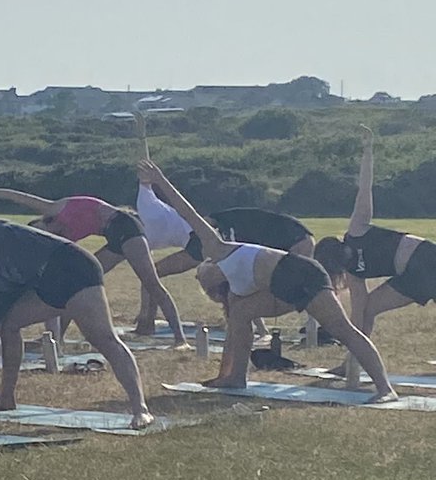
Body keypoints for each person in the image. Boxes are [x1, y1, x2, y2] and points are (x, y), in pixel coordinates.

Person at [137, 158, 396, 401]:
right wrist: (221, 375)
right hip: (280, 284)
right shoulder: (236, 292)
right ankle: (235, 378)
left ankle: (385, 388)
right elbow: (234, 336)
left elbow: (186, 211)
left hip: (303, 274)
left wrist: (159, 179)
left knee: (344, 330)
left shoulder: (217, 248)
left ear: (213, 270)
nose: (201, 278)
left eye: (202, 278)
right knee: (239, 316)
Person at [0, 218, 155, 429]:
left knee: (104, 338)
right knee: (10, 325)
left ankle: (140, 408)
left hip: (74, 267)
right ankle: (7, 396)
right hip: (47, 282)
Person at [130, 114, 313, 336]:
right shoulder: (138, 237)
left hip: (207, 235)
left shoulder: (144, 208)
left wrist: (144, 140)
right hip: (210, 235)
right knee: (156, 274)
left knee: (157, 274)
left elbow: (179, 204)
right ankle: (146, 321)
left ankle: (147, 323)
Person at [0, 183, 188, 346]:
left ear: (46, 223)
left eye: (39, 231)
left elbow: (16, 197)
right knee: (73, 286)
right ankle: (58, 339)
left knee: (151, 283)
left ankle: (180, 339)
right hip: (113, 237)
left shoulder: (57, 209)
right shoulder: (58, 240)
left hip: (126, 227)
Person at [313, 125, 436, 340]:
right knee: (369, 309)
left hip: (426, 257)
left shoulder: (356, 231)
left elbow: (365, 188)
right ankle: (356, 361)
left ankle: (355, 361)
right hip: (412, 273)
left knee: (369, 309)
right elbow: (360, 313)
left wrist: (368, 151)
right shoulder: (354, 275)